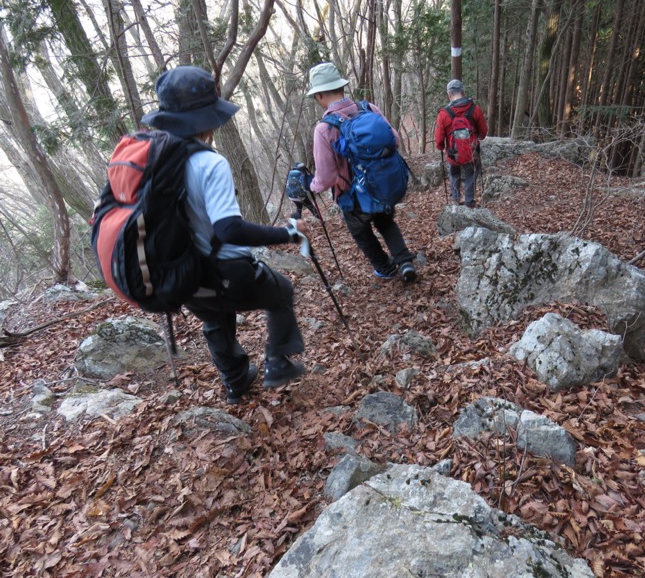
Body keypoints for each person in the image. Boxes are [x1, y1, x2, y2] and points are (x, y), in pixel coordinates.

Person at [141, 66, 307, 404]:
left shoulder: (153, 161)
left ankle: (235, 382)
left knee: (215, 319)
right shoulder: (209, 164)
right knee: (281, 291)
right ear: (207, 119)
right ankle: (277, 363)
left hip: (181, 274)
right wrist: (287, 233)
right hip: (227, 272)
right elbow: (229, 229)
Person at [304, 62, 417, 283]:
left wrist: (312, 185)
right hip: (381, 185)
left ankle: (385, 268)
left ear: (319, 96)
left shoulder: (324, 129)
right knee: (385, 222)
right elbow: (395, 140)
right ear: (341, 87)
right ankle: (405, 262)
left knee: (361, 233)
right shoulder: (369, 109)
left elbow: (326, 178)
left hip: (353, 198)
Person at [434, 79, 489, 208]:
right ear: (463, 92)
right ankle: (469, 202)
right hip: (471, 153)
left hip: (453, 154)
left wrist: (441, 146)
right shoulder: (475, 109)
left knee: (454, 174)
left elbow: (439, 139)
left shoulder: (444, 114)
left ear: (449, 95)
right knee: (471, 173)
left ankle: (455, 201)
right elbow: (483, 132)